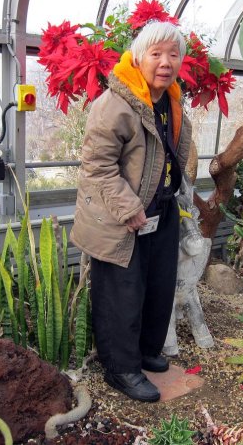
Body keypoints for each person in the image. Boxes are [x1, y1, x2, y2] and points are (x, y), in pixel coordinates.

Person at [70, 21, 192, 403]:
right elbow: (97, 167)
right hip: (120, 218)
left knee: (157, 286)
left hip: (161, 210)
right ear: (138, 58)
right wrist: (130, 208)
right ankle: (120, 368)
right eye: (156, 54)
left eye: (173, 54)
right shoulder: (115, 105)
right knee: (121, 295)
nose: (166, 62)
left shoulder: (169, 100)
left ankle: (143, 352)